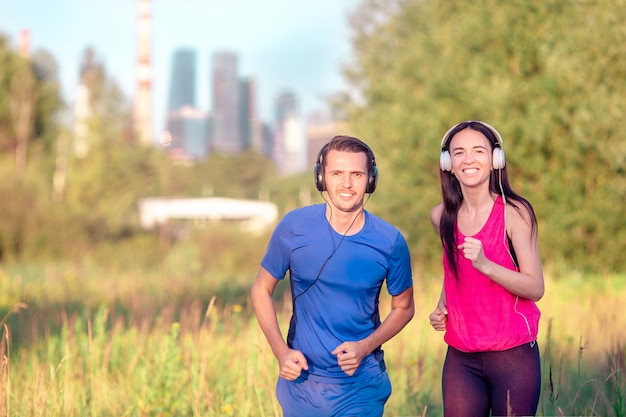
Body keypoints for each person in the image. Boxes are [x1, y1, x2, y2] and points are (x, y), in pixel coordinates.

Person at [251, 135, 414, 417]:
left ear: (370, 180)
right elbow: (260, 290)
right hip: (302, 383)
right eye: (337, 173)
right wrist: (280, 352)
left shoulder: (390, 241)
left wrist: (364, 347)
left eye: (357, 174)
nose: (347, 184)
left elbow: (404, 307)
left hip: (361, 385)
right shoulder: (294, 227)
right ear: (321, 177)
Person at [428, 120, 544, 417]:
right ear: (448, 163)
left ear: (495, 161)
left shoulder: (515, 213)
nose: (468, 159)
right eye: (459, 153)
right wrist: (442, 307)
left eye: (478, 151)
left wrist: (486, 265)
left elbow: (535, 287)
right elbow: (453, 272)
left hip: (513, 356)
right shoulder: (441, 216)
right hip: (461, 358)